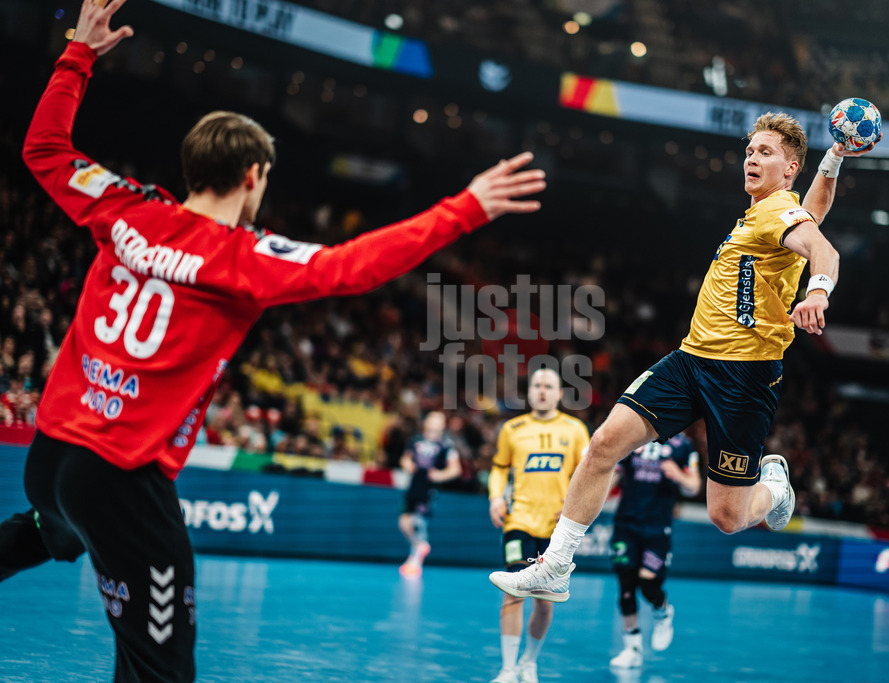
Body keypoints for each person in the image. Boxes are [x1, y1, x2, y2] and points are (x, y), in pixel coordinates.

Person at [0, 1, 545, 680]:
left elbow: (44, 149)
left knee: (53, 528)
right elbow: (355, 265)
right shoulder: (243, 258)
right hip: (120, 476)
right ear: (254, 176)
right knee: (159, 666)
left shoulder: (124, 205)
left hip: (49, 456)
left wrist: (76, 55)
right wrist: (464, 208)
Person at [490, 112, 877, 602]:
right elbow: (814, 215)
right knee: (604, 444)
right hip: (690, 361)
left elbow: (826, 251)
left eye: (765, 153)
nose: (751, 159)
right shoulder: (770, 212)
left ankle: (775, 487)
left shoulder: (776, 211)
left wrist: (818, 291)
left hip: (744, 379)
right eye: (749, 151)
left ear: (789, 168)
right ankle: (557, 564)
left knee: (727, 517)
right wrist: (836, 159)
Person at [487, 368, 590, 683]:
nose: (542, 391)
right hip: (519, 520)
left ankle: (528, 663)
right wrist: (494, 498)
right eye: (536, 385)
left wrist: (574, 508)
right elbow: (498, 468)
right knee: (513, 591)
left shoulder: (575, 430)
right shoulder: (512, 429)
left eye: (548, 386)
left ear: (559, 394)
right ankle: (507, 670)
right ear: (529, 392)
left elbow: (587, 474)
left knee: (545, 602)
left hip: (556, 529)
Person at [609, 432, 701, 669]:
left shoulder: (683, 445)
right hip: (626, 524)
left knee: (648, 585)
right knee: (626, 588)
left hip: (657, 528)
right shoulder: (633, 435)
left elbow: (694, 486)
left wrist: (679, 475)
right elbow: (614, 476)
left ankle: (663, 612)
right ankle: (632, 649)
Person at [398, 410, 461, 577]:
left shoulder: (446, 445)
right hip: (413, 486)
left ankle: (415, 560)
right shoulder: (416, 440)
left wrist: (440, 475)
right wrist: (408, 465)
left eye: (439, 420)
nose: (435, 422)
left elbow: (455, 468)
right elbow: (405, 458)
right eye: (433, 418)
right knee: (404, 521)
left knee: (419, 521)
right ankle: (419, 546)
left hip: (429, 488)